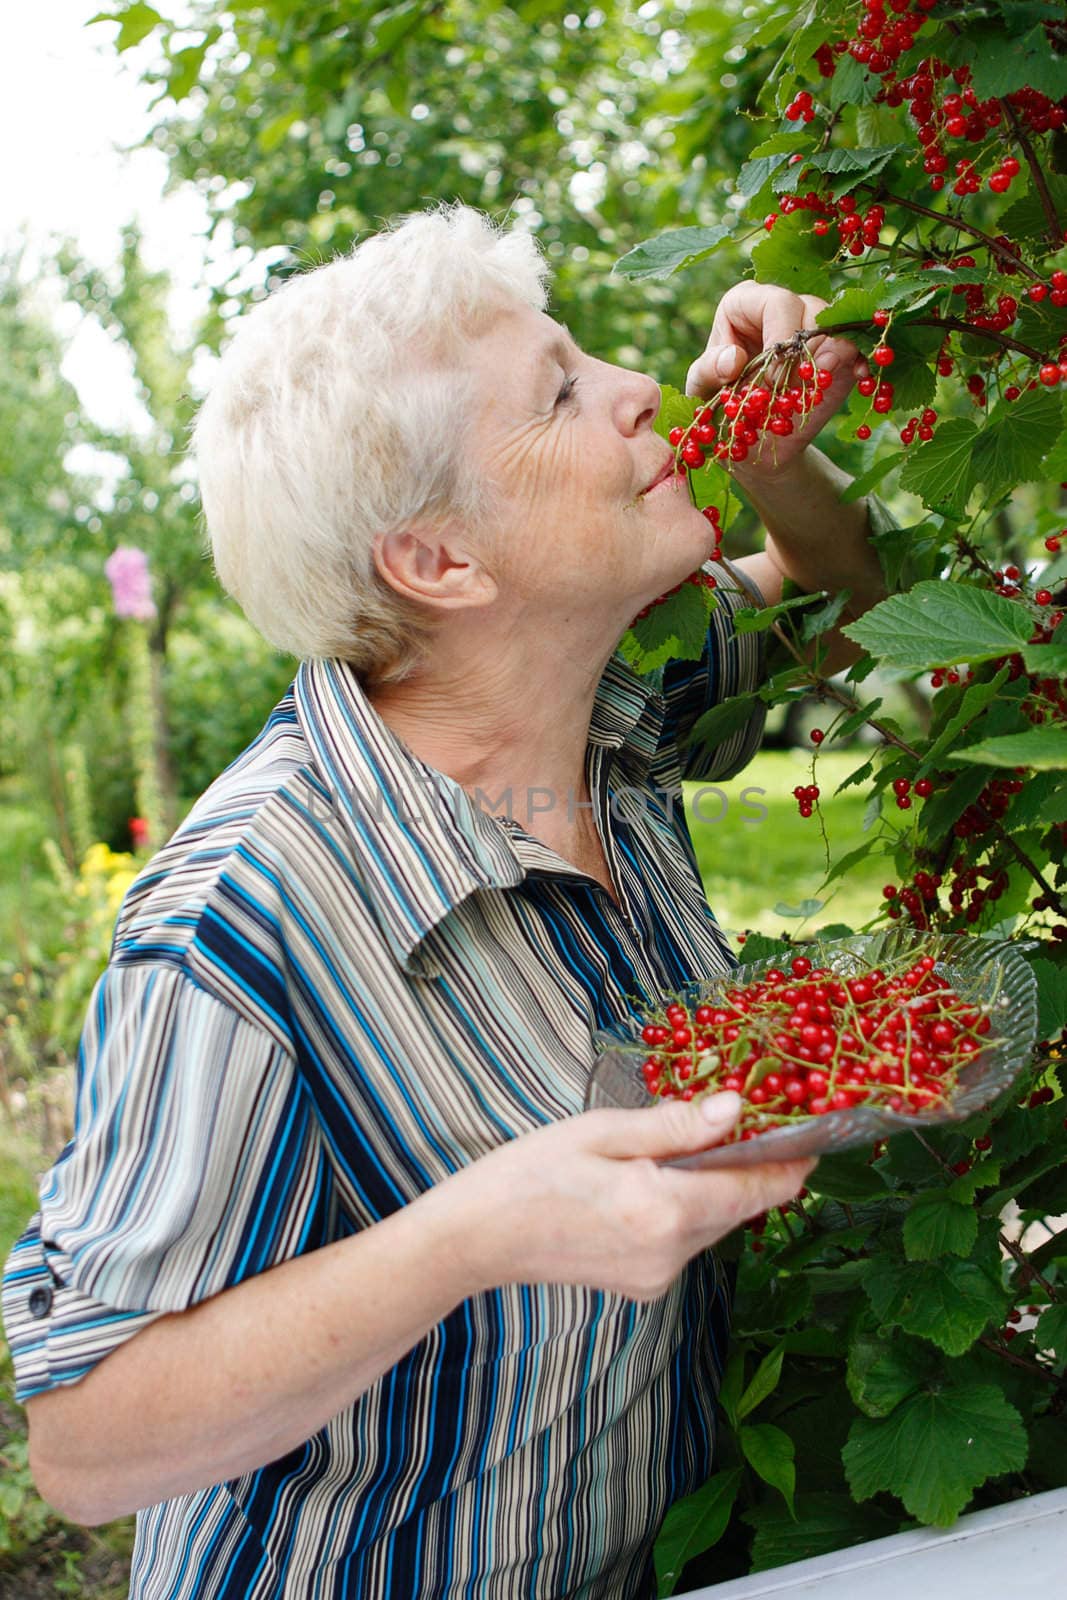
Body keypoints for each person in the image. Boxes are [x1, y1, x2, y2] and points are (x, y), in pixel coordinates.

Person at [2, 204, 886, 1599]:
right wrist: (472, 1234)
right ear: (442, 562)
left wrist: (776, 466)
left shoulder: (610, 706)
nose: (640, 387)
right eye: (559, 391)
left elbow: (851, 604)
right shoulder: (242, 918)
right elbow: (86, 1440)